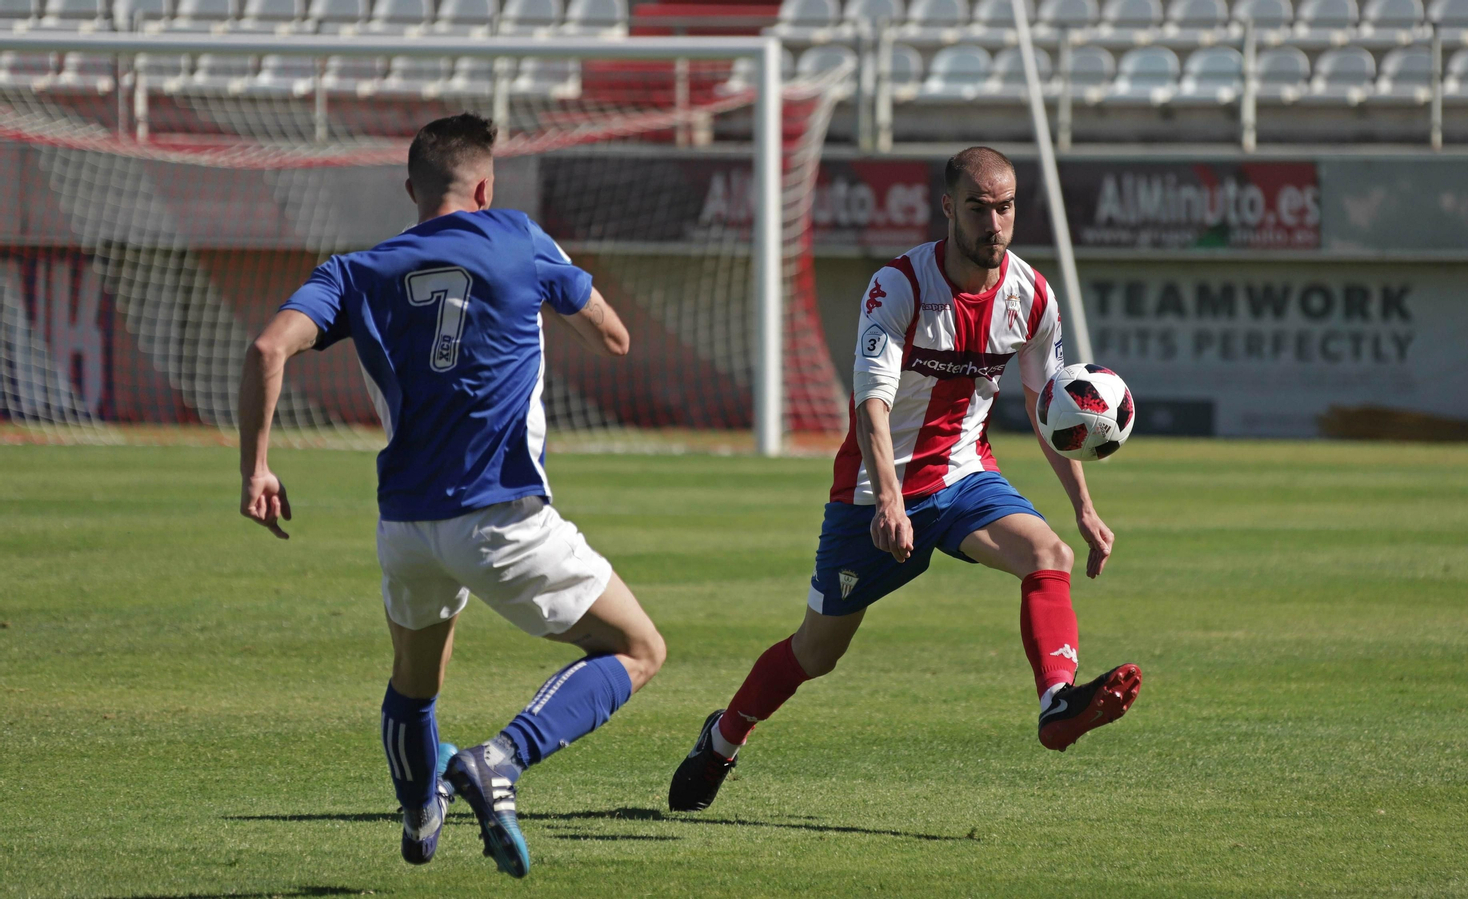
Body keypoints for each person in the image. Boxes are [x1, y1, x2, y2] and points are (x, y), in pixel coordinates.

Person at [237, 112, 666, 879]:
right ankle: (501, 758)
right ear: (485, 188)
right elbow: (614, 337)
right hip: (502, 515)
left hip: (406, 525)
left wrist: (256, 469)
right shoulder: (519, 237)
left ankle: (419, 815)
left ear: (411, 189)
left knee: (414, 685)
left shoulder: (355, 271)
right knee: (639, 648)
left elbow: (268, 347)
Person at [667, 147, 1141, 813]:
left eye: (1005, 208)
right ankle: (722, 738)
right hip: (873, 492)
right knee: (816, 652)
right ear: (948, 208)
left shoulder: (1032, 296)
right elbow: (871, 402)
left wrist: (1083, 506)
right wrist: (889, 501)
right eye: (978, 208)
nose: (994, 223)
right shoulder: (899, 287)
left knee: (1048, 554)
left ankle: (1057, 701)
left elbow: (1047, 409)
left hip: (966, 477)